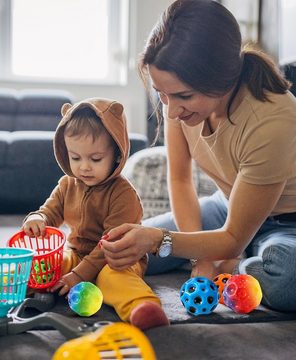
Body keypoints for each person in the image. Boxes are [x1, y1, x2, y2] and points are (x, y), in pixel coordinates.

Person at [100, 0, 296, 312]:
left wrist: (163, 241)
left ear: (221, 79)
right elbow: (179, 179)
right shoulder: (174, 99)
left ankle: (239, 264)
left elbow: (232, 235)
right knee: (118, 247)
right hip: (228, 205)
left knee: (287, 280)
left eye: (184, 96)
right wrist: (200, 256)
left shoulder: (273, 118)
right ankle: (230, 260)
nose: (172, 111)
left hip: (286, 224)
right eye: (162, 94)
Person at [22, 98, 169, 330]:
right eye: (75, 158)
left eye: (95, 158)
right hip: (77, 253)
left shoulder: (123, 194)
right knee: (42, 266)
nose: (84, 167)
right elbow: (50, 211)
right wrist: (38, 218)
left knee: (114, 279)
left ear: (117, 155)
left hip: (117, 258)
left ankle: (143, 306)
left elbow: (110, 243)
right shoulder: (67, 184)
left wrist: (79, 276)